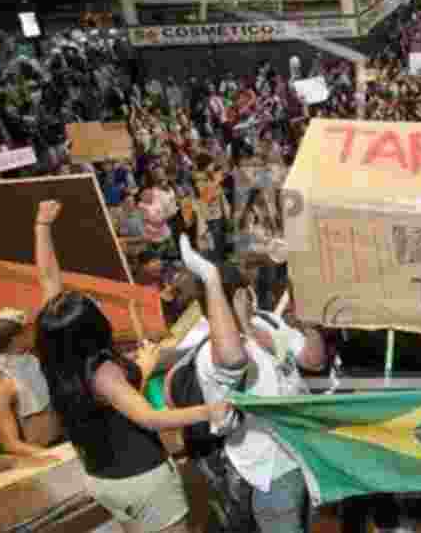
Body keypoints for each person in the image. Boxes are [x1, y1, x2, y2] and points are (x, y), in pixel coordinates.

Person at [33, 200, 231, 533]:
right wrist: (210, 410)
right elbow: (150, 418)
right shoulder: (104, 373)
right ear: (91, 330)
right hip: (141, 478)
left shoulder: (56, 349)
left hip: (102, 477)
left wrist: (42, 226)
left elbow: (47, 278)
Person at [177, 234, 331, 533]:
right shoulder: (209, 350)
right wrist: (211, 280)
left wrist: (309, 321)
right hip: (271, 471)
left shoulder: (267, 322)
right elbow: (234, 359)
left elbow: (313, 361)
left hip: (306, 454)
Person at [0, 307, 61, 457]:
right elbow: (10, 444)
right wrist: (55, 457)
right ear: (16, 338)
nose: (35, 333)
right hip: (34, 458)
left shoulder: (35, 360)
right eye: (29, 329)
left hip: (60, 445)